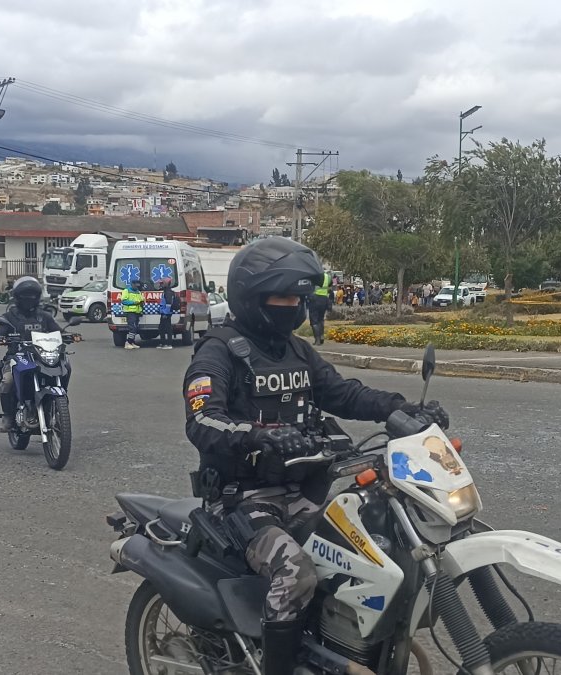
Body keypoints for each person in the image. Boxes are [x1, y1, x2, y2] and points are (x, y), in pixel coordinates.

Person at [182, 238, 448, 675]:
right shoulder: (219, 352)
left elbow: (342, 393)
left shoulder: (296, 350)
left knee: (375, 547)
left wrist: (401, 409)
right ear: (252, 296)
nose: (293, 306)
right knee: (296, 572)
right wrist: (259, 435)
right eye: (283, 296)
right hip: (244, 501)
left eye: (299, 297)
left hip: (304, 491)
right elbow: (202, 422)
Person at [0, 277, 62, 432]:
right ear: (18, 298)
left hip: (42, 356)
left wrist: (69, 335)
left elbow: (58, 332)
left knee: (65, 366)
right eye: (25, 296)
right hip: (17, 357)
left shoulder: (44, 316)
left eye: (32, 296)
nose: (29, 300)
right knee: (7, 381)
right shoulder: (10, 317)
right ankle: (8, 416)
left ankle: (58, 404)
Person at [120, 280, 145, 350]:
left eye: (138, 286)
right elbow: (124, 301)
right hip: (130, 312)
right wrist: (134, 302)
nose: (137, 287)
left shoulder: (138, 292)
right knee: (132, 327)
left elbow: (141, 300)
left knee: (136, 327)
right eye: (136, 285)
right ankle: (128, 342)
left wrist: (142, 301)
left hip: (137, 312)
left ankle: (132, 342)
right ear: (132, 284)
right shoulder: (126, 291)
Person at [308, 271, 331, 345]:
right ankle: (321, 337)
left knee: (314, 321)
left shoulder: (314, 275)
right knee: (321, 319)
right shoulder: (328, 277)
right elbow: (330, 287)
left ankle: (317, 340)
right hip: (324, 299)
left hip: (314, 298)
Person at [157, 280, 178, 350]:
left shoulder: (168, 292)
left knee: (167, 328)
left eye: (161, 283)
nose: (160, 285)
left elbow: (168, 304)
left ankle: (169, 344)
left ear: (166, 284)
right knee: (161, 328)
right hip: (165, 312)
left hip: (167, 313)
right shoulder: (166, 291)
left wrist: (165, 313)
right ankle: (163, 343)